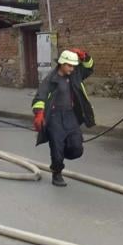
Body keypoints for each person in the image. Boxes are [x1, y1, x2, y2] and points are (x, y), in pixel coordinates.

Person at [32, 48, 96, 187]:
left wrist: (85, 56)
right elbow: (40, 97)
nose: (72, 68)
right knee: (56, 147)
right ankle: (57, 171)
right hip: (54, 117)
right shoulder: (51, 79)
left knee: (77, 148)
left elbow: (89, 67)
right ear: (62, 63)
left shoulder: (75, 74)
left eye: (74, 65)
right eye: (70, 65)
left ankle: (60, 154)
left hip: (70, 115)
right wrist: (39, 113)